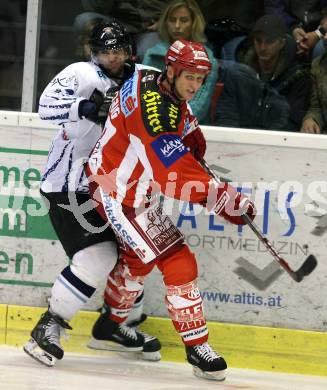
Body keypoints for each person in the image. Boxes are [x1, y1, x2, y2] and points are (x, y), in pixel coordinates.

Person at [85, 39, 256, 381]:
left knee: (140, 257)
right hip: (117, 191)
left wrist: (191, 135)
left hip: (123, 183)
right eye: (189, 77)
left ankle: (110, 324)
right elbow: (173, 175)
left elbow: (179, 116)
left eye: (200, 79)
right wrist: (224, 200)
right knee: (177, 258)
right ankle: (197, 346)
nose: (195, 85)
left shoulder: (152, 77)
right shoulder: (155, 115)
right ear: (173, 70)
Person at [23, 20, 161, 367]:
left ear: (129, 51)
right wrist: (84, 108)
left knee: (137, 250)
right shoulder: (82, 74)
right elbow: (45, 107)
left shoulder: (145, 77)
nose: (112, 58)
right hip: (71, 184)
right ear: (93, 52)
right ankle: (48, 328)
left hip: (116, 188)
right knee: (98, 257)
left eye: (118, 51)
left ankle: (116, 325)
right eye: (105, 52)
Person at [221, 14, 311, 131]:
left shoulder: (298, 77)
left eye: (269, 41)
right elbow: (226, 113)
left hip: (277, 142)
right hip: (239, 139)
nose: (263, 47)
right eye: (258, 40)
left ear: (281, 43)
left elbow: (293, 122)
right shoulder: (238, 73)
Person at [142, 0, 218, 124]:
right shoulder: (152, 55)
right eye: (172, 20)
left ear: (194, 23)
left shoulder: (207, 59)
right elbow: (145, 96)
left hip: (192, 128)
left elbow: (199, 106)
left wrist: (170, 123)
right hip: (153, 124)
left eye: (183, 20)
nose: (177, 26)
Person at [75, 0, 166, 61]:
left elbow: (176, 4)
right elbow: (92, 7)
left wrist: (165, 18)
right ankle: (93, 74)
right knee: (84, 20)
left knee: (148, 52)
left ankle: (143, 85)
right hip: (115, 22)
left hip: (150, 27)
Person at [301, 8, 327, 133]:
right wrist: (311, 119)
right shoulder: (318, 64)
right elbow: (316, 107)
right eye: (324, 31)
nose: (325, 38)